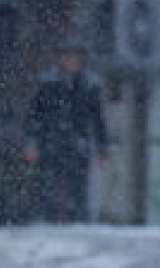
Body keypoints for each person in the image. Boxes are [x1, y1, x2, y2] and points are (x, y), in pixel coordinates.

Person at [23, 43, 109, 223]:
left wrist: (102, 149)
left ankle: (77, 220)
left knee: (78, 188)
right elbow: (33, 116)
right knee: (48, 185)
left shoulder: (89, 85)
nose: (71, 61)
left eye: (75, 57)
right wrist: (32, 142)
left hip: (78, 144)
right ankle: (47, 219)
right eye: (67, 56)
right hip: (51, 142)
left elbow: (97, 119)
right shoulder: (48, 84)